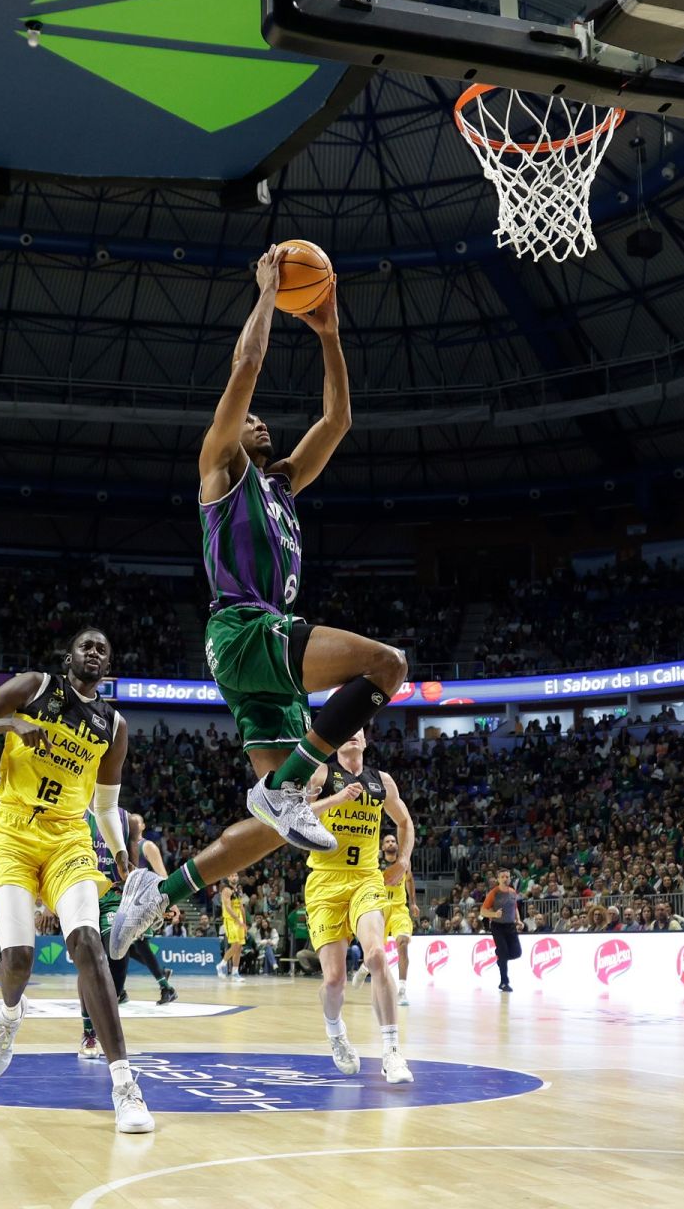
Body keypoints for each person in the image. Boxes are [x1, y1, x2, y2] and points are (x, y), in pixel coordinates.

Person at [110, 254, 411, 956]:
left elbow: (337, 420)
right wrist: (270, 296)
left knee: (280, 824)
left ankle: (160, 892)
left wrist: (329, 333)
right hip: (245, 631)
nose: (262, 425)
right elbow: (245, 368)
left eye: (264, 423)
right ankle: (285, 786)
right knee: (386, 665)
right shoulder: (219, 467)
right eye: (254, 423)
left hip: (257, 656)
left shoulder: (282, 487)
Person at [0, 627, 153, 1133]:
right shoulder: (35, 687)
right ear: (70, 656)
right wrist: (11, 723)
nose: (95, 652)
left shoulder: (115, 725)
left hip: (68, 839)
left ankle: (124, 1085)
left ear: (108, 665)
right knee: (18, 957)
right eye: (87, 646)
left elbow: (104, 805)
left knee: (87, 943)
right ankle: (11, 1015)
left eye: (104, 648)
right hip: (13, 831)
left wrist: (122, 851)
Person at [301, 729, 414, 1083]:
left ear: (365, 742)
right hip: (324, 882)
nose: (351, 735)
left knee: (377, 955)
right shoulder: (321, 772)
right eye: (345, 731)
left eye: (358, 732)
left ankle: (392, 1052)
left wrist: (404, 860)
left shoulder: (382, 781)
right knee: (334, 980)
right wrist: (336, 799)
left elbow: (405, 821)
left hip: (366, 878)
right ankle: (336, 1034)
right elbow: (296, 815)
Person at [79, 808, 177, 1059]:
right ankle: (89, 1031)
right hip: (82, 891)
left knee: (120, 949)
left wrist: (167, 898)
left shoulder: (129, 822)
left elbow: (135, 865)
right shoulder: (78, 810)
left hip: (120, 896)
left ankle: (123, 993)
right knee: (90, 958)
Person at [378, 832, 418, 1006]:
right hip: (379, 909)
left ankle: (402, 990)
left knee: (402, 944)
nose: (391, 843)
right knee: (375, 951)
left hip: (400, 909)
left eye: (393, 840)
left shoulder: (404, 863)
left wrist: (414, 903)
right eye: (387, 841)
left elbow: (409, 881)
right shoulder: (374, 864)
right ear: (382, 847)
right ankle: (365, 968)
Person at [480, 869, 523, 993]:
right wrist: (494, 914)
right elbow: (483, 911)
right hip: (497, 926)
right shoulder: (494, 893)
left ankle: (500, 957)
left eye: (507, 877)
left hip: (510, 926)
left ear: (510, 878)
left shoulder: (512, 892)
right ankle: (504, 982)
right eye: (502, 877)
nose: (505, 879)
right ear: (498, 879)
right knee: (503, 953)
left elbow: (514, 908)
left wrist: (518, 920)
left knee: (517, 953)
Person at [216, 881, 248, 982]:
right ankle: (221, 964)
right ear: (228, 878)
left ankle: (235, 972)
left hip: (240, 921)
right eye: (232, 875)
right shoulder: (226, 890)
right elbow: (228, 908)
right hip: (230, 920)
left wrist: (244, 923)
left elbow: (242, 908)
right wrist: (237, 920)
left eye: (235, 875)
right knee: (235, 944)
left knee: (239, 947)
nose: (234, 877)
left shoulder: (239, 890)